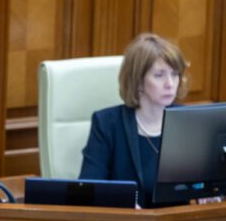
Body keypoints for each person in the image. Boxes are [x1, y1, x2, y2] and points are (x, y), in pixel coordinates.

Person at [79, 33, 189, 207]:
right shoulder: (107, 124)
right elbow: (89, 189)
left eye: (175, 74)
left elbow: (204, 184)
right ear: (138, 81)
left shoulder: (188, 122)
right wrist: (124, 206)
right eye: (159, 75)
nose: (170, 84)